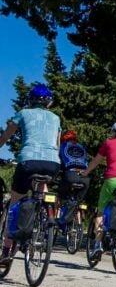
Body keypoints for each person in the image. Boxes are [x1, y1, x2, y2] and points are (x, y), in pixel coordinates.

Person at [0, 83, 61, 264]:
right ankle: (44, 217)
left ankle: (6, 250)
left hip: (28, 161)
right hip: (52, 163)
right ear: (49, 103)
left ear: (30, 100)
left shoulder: (23, 113)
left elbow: (6, 136)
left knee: (15, 202)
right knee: (42, 190)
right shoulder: (56, 118)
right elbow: (56, 145)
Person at [81, 120, 116, 260]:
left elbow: (97, 160)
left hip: (112, 180)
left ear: (115, 132)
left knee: (100, 211)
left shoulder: (109, 143)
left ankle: (97, 245)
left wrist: (85, 172)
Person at [57, 129, 90, 219]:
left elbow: (58, 161)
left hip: (70, 175)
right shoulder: (81, 147)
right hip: (85, 178)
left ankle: (57, 216)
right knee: (76, 202)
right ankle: (78, 225)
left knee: (60, 196)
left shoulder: (62, 146)